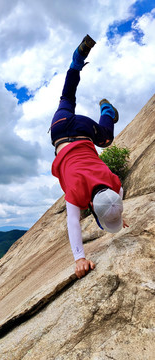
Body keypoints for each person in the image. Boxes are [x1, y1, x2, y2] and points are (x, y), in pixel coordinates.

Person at [50, 35, 128, 279]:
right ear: (92, 206)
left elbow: (117, 197)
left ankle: (76, 62)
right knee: (69, 102)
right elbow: (73, 222)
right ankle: (106, 110)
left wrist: (118, 214)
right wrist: (79, 258)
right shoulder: (76, 192)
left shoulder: (114, 183)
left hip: (79, 129)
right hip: (59, 132)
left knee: (69, 99)